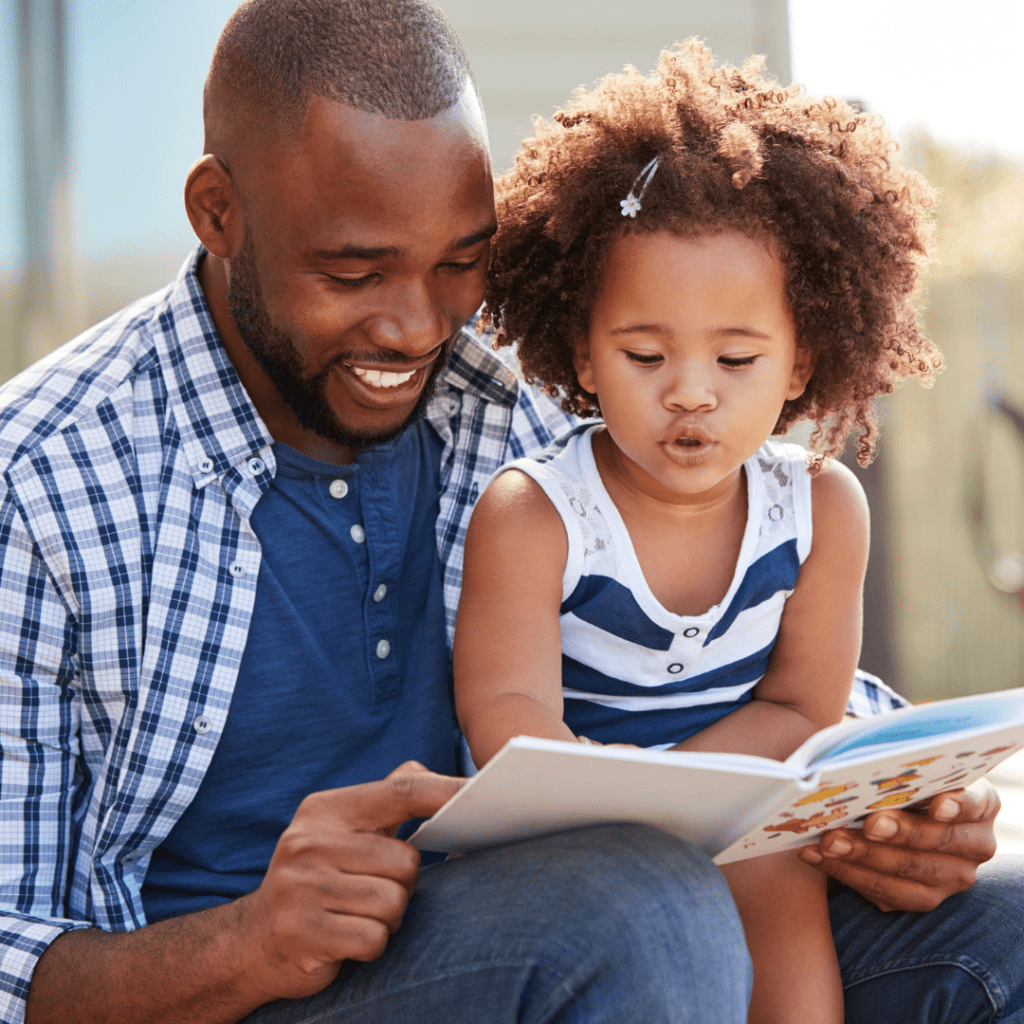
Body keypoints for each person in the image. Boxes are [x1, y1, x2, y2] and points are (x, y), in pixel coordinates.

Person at [0, 2, 1016, 1023]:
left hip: (554, 921)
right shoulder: (42, 483)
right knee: (643, 902)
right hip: (264, 987)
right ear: (218, 211)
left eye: (457, 262)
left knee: (1003, 924)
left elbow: (729, 652)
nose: (415, 326)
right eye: (354, 271)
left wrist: (900, 805)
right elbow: (9, 953)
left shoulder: (529, 376)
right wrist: (250, 942)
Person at [455, 40, 1024, 1024]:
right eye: (643, 352)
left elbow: (803, 701)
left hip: (749, 806)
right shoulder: (536, 512)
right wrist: (653, 807)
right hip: (575, 841)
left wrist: (704, 797)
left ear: (801, 362)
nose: (689, 390)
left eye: (735, 356)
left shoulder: (818, 508)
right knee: (658, 921)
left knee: (780, 894)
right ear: (584, 353)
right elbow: (509, 724)